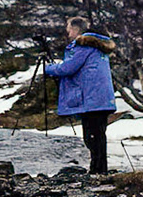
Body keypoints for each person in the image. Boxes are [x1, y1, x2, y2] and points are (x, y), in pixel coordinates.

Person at [45, 17, 119, 174]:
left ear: (76, 29)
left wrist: (49, 68)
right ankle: (99, 169)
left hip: (92, 99)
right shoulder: (97, 47)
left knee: (92, 136)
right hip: (101, 98)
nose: (67, 32)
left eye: (69, 28)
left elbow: (68, 68)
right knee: (98, 135)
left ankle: (97, 171)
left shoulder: (84, 46)